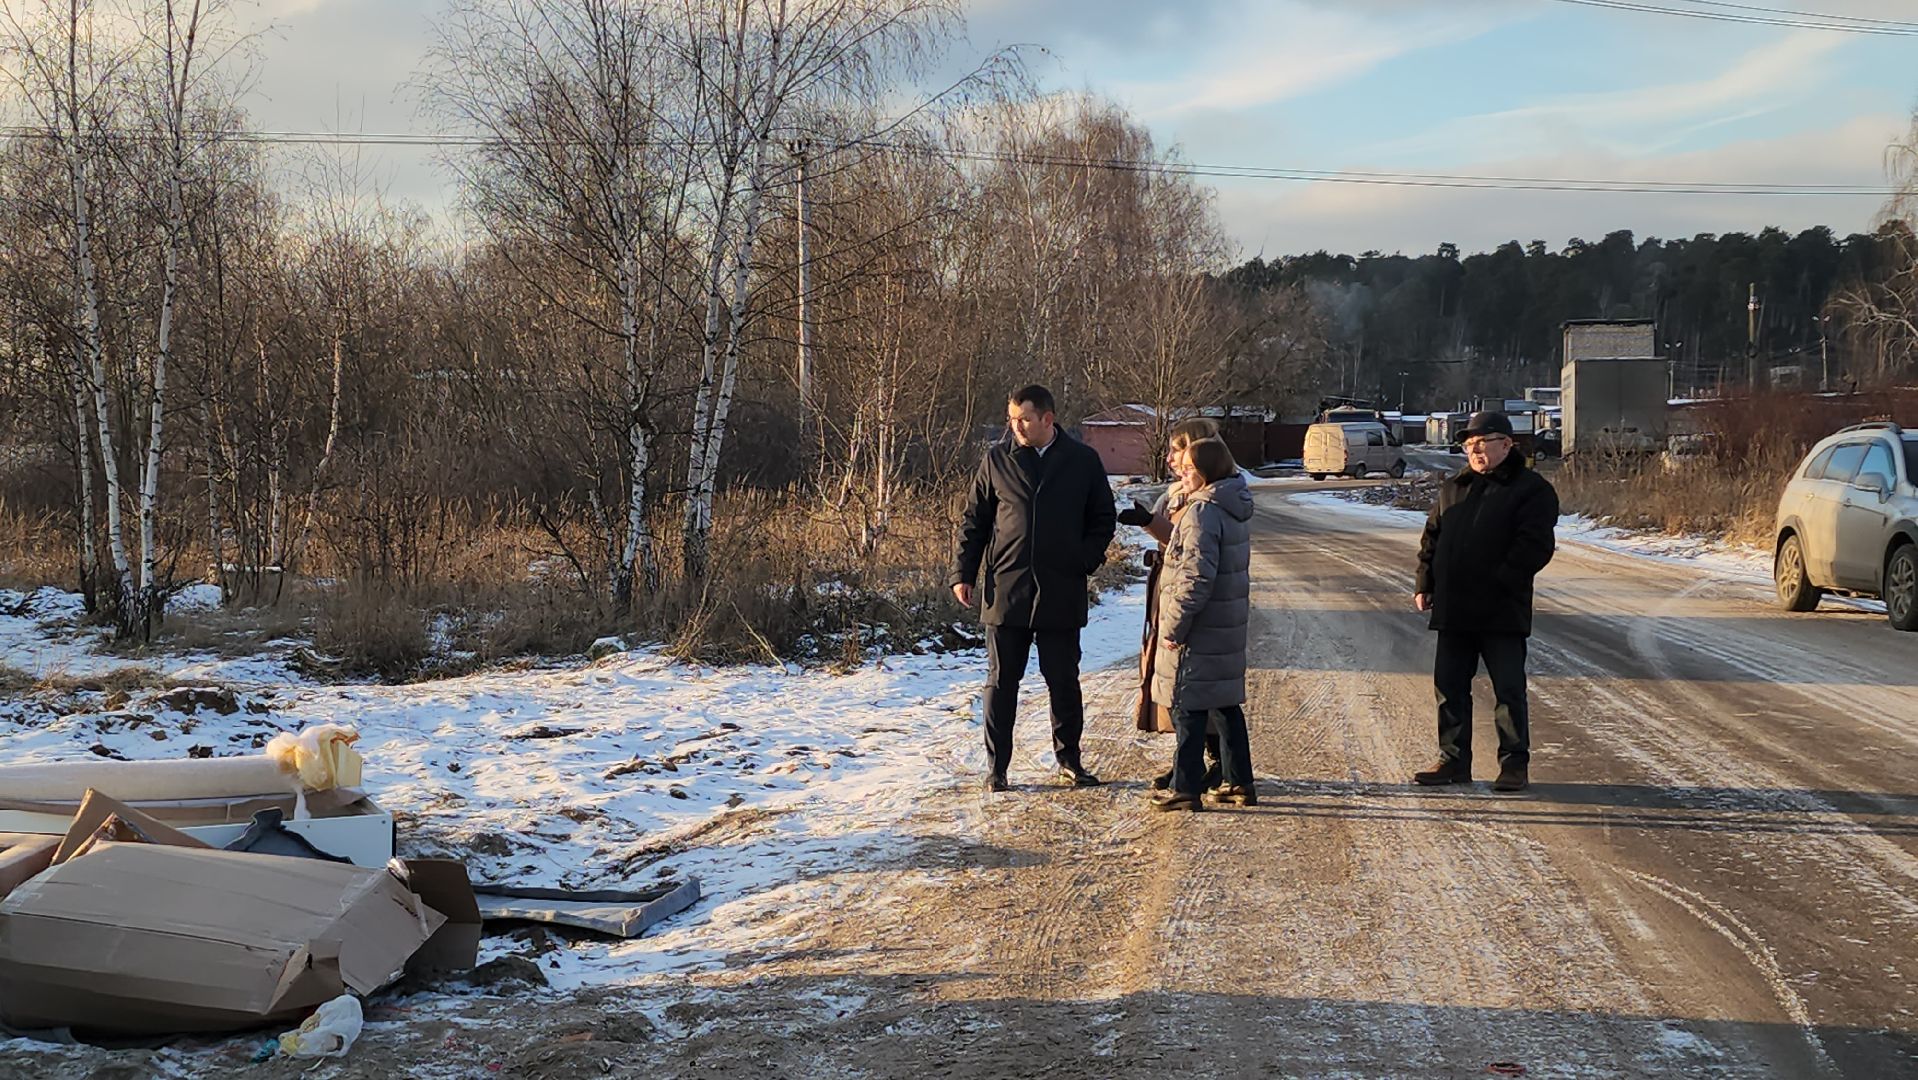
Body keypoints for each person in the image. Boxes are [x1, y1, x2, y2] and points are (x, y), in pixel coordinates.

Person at [952, 384, 1118, 793]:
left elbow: (1102, 519)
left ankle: (1069, 761)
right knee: (1001, 681)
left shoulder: (1082, 461)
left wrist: (1084, 560)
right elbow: (974, 522)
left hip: (1061, 588)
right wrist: (963, 573)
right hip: (1006, 589)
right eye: (1012, 419)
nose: (1017, 427)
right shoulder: (997, 461)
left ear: (1048, 418)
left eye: (1024, 419)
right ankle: (997, 768)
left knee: (1063, 679)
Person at [1412, 411, 1559, 793]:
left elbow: (1536, 546)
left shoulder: (1531, 489)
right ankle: (1452, 760)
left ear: (1507, 445)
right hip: (1454, 608)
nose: (1474, 451)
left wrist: (1501, 580)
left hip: (1500, 609)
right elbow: (1432, 539)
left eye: (1483, 443)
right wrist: (1425, 582)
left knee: (1507, 690)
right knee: (1449, 688)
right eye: (1468, 445)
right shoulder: (1454, 488)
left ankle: (1513, 765)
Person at [1147, 437, 1256, 813]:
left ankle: (1185, 786)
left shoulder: (1202, 513)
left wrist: (1174, 626)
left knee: (1188, 704)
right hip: (1224, 624)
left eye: (1191, 468)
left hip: (1201, 626)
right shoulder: (1231, 505)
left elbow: (1195, 578)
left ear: (1208, 471)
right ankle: (1239, 780)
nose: (1183, 473)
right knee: (1224, 704)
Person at [1117, 419, 1226, 791]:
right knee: (1178, 687)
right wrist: (1150, 521)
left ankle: (1210, 764)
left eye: (1176, 450)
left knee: (1197, 689)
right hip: (1171, 594)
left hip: (1195, 603)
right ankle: (1192, 761)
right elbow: (1176, 544)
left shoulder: (1209, 497)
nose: (1169, 458)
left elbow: (1195, 553)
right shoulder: (1177, 494)